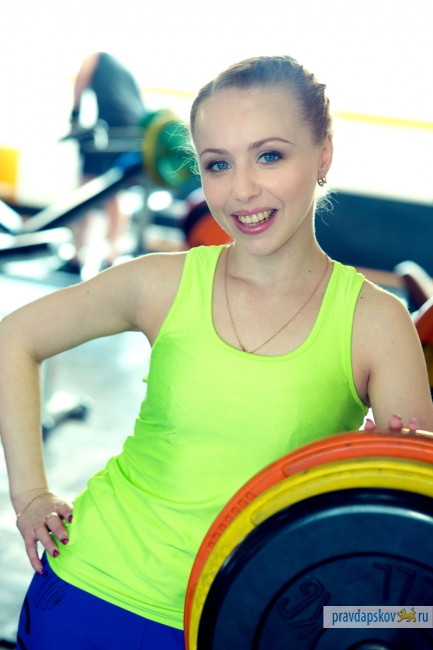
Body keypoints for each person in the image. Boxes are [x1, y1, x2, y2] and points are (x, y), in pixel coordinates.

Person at [1, 55, 432, 650]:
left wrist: (328, 622)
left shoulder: (375, 323)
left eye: (270, 156)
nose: (242, 190)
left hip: (245, 616)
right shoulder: (160, 283)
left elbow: (409, 570)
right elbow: (14, 337)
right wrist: (29, 497)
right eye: (218, 164)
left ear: (323, 155)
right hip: (91, 590)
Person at [66, 52, 146, 274]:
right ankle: (112, 255)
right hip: (133, 129)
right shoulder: (123, 71)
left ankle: (76, 256)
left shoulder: (96, 57)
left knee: (87, 188)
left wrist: (75, 114)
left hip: (113, 129)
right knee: (114, 190)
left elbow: (82, 76)